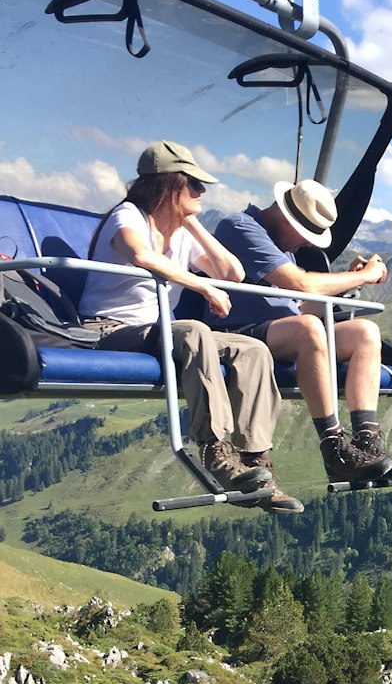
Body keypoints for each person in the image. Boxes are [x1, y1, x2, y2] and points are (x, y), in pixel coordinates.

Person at [80, 141, 302, 513]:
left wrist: (191, 222)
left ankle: (255, 462)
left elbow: (232, 272)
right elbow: (139, 254)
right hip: (111, 328)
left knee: (253, 350)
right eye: (194, 185)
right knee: (194, 330)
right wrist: (200, 284)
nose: (202, 191)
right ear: (169, 184)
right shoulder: (129, 216)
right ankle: (217, 452)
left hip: (157, 331)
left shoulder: (181, 232)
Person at [211, 180, 392, 486]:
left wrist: (352, 280)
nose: (306, 244)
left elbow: (298, 305)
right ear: (285, 217)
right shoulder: (240, 228)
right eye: (305, 234)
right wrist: (366, 274)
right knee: (309, 330)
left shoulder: (281, 245)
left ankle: (366, 443)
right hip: (237, 331)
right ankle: (335, 451)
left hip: (280, 330)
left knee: (365, 332)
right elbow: (301, 285)